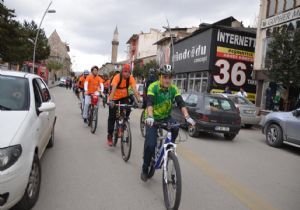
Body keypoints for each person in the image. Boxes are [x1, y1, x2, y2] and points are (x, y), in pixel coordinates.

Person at [141, 64, 196, 182]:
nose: (167, 80)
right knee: (150, 145)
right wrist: (150, 116)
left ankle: (169, 148)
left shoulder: (173, 89)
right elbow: (149, 103)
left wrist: (187, 117)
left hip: (166, 117)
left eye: (169, 77)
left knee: (175, 127)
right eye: (165, 77)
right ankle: (145, 168)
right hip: (153, 118)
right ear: (160, 77)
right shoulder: (153, 87)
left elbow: (181, 103)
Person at [107, 63, 141, 146]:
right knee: (112, 117)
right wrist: (111, 100)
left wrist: (139, 101)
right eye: (125, 71)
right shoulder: (117, 77)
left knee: (128, 108)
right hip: (114, 97)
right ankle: (110, 135)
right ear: (122, 71)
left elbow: (135, 90)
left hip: (124, 97)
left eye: (128, 72)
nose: (127, 73)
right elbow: (113, 90)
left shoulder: (131, 78)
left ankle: (123, 124)